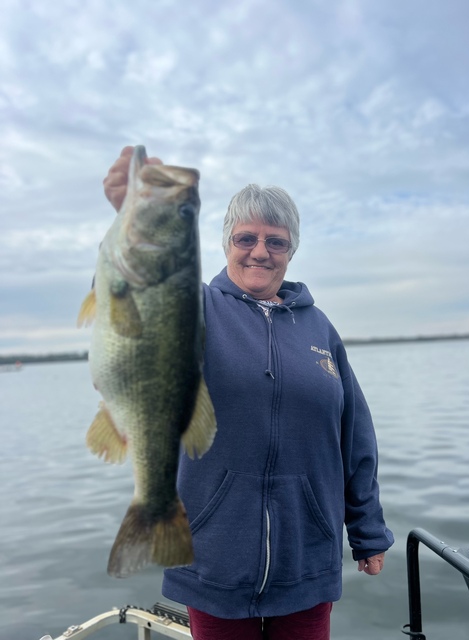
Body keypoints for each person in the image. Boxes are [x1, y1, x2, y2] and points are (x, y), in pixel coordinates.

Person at [103, 146, 394, 640]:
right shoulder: (193, 307)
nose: (260, 251)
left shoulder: (321, 330)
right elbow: (136, 296)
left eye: (276, 242)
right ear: (226, 244)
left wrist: (367, 531)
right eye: (246, 238)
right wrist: (136, 219)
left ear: (291, 250)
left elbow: (354, 437)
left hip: (307, 561)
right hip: (215, 561)